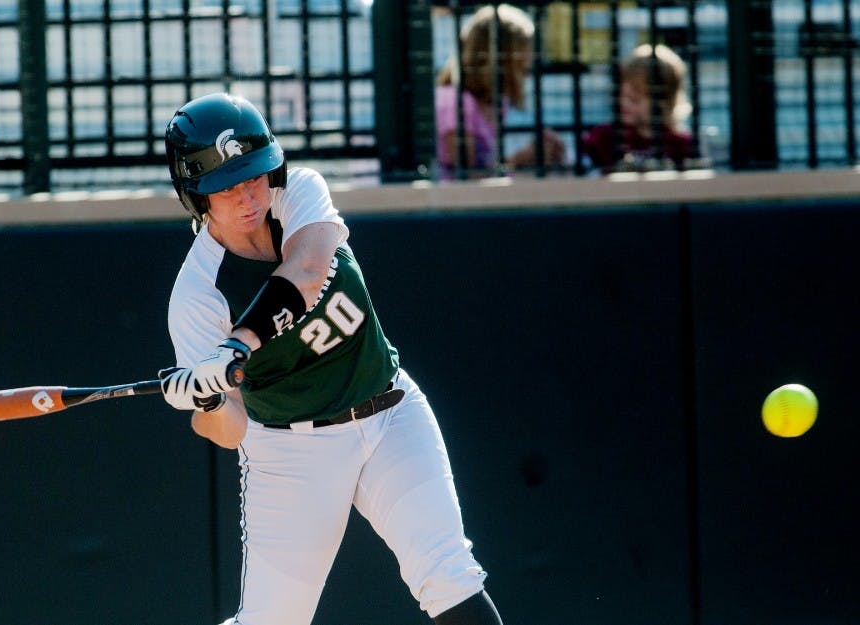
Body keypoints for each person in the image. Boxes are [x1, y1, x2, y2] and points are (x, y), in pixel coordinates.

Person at [158, 92, 504, 625]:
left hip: (390, 411)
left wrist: (235, 347)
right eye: (225, 188)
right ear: (196, 196)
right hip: (292, 452)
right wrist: (206, 401)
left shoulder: (298, 193)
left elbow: (308, 268)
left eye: (253, 176)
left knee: (448, 573)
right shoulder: (198, 294)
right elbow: (228, 429)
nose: (247, 196)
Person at [435, 3, 565, 179]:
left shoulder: (496, 104)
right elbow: (468, 179)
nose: (527, 74)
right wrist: (520, 161)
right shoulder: (455, 104)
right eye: (522, 67)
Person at [581, 43, 698, 173]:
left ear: (663, 101)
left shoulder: (680, 144)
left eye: (634, 99)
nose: (624, 104)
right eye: (621, 96)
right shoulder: (603, 137)